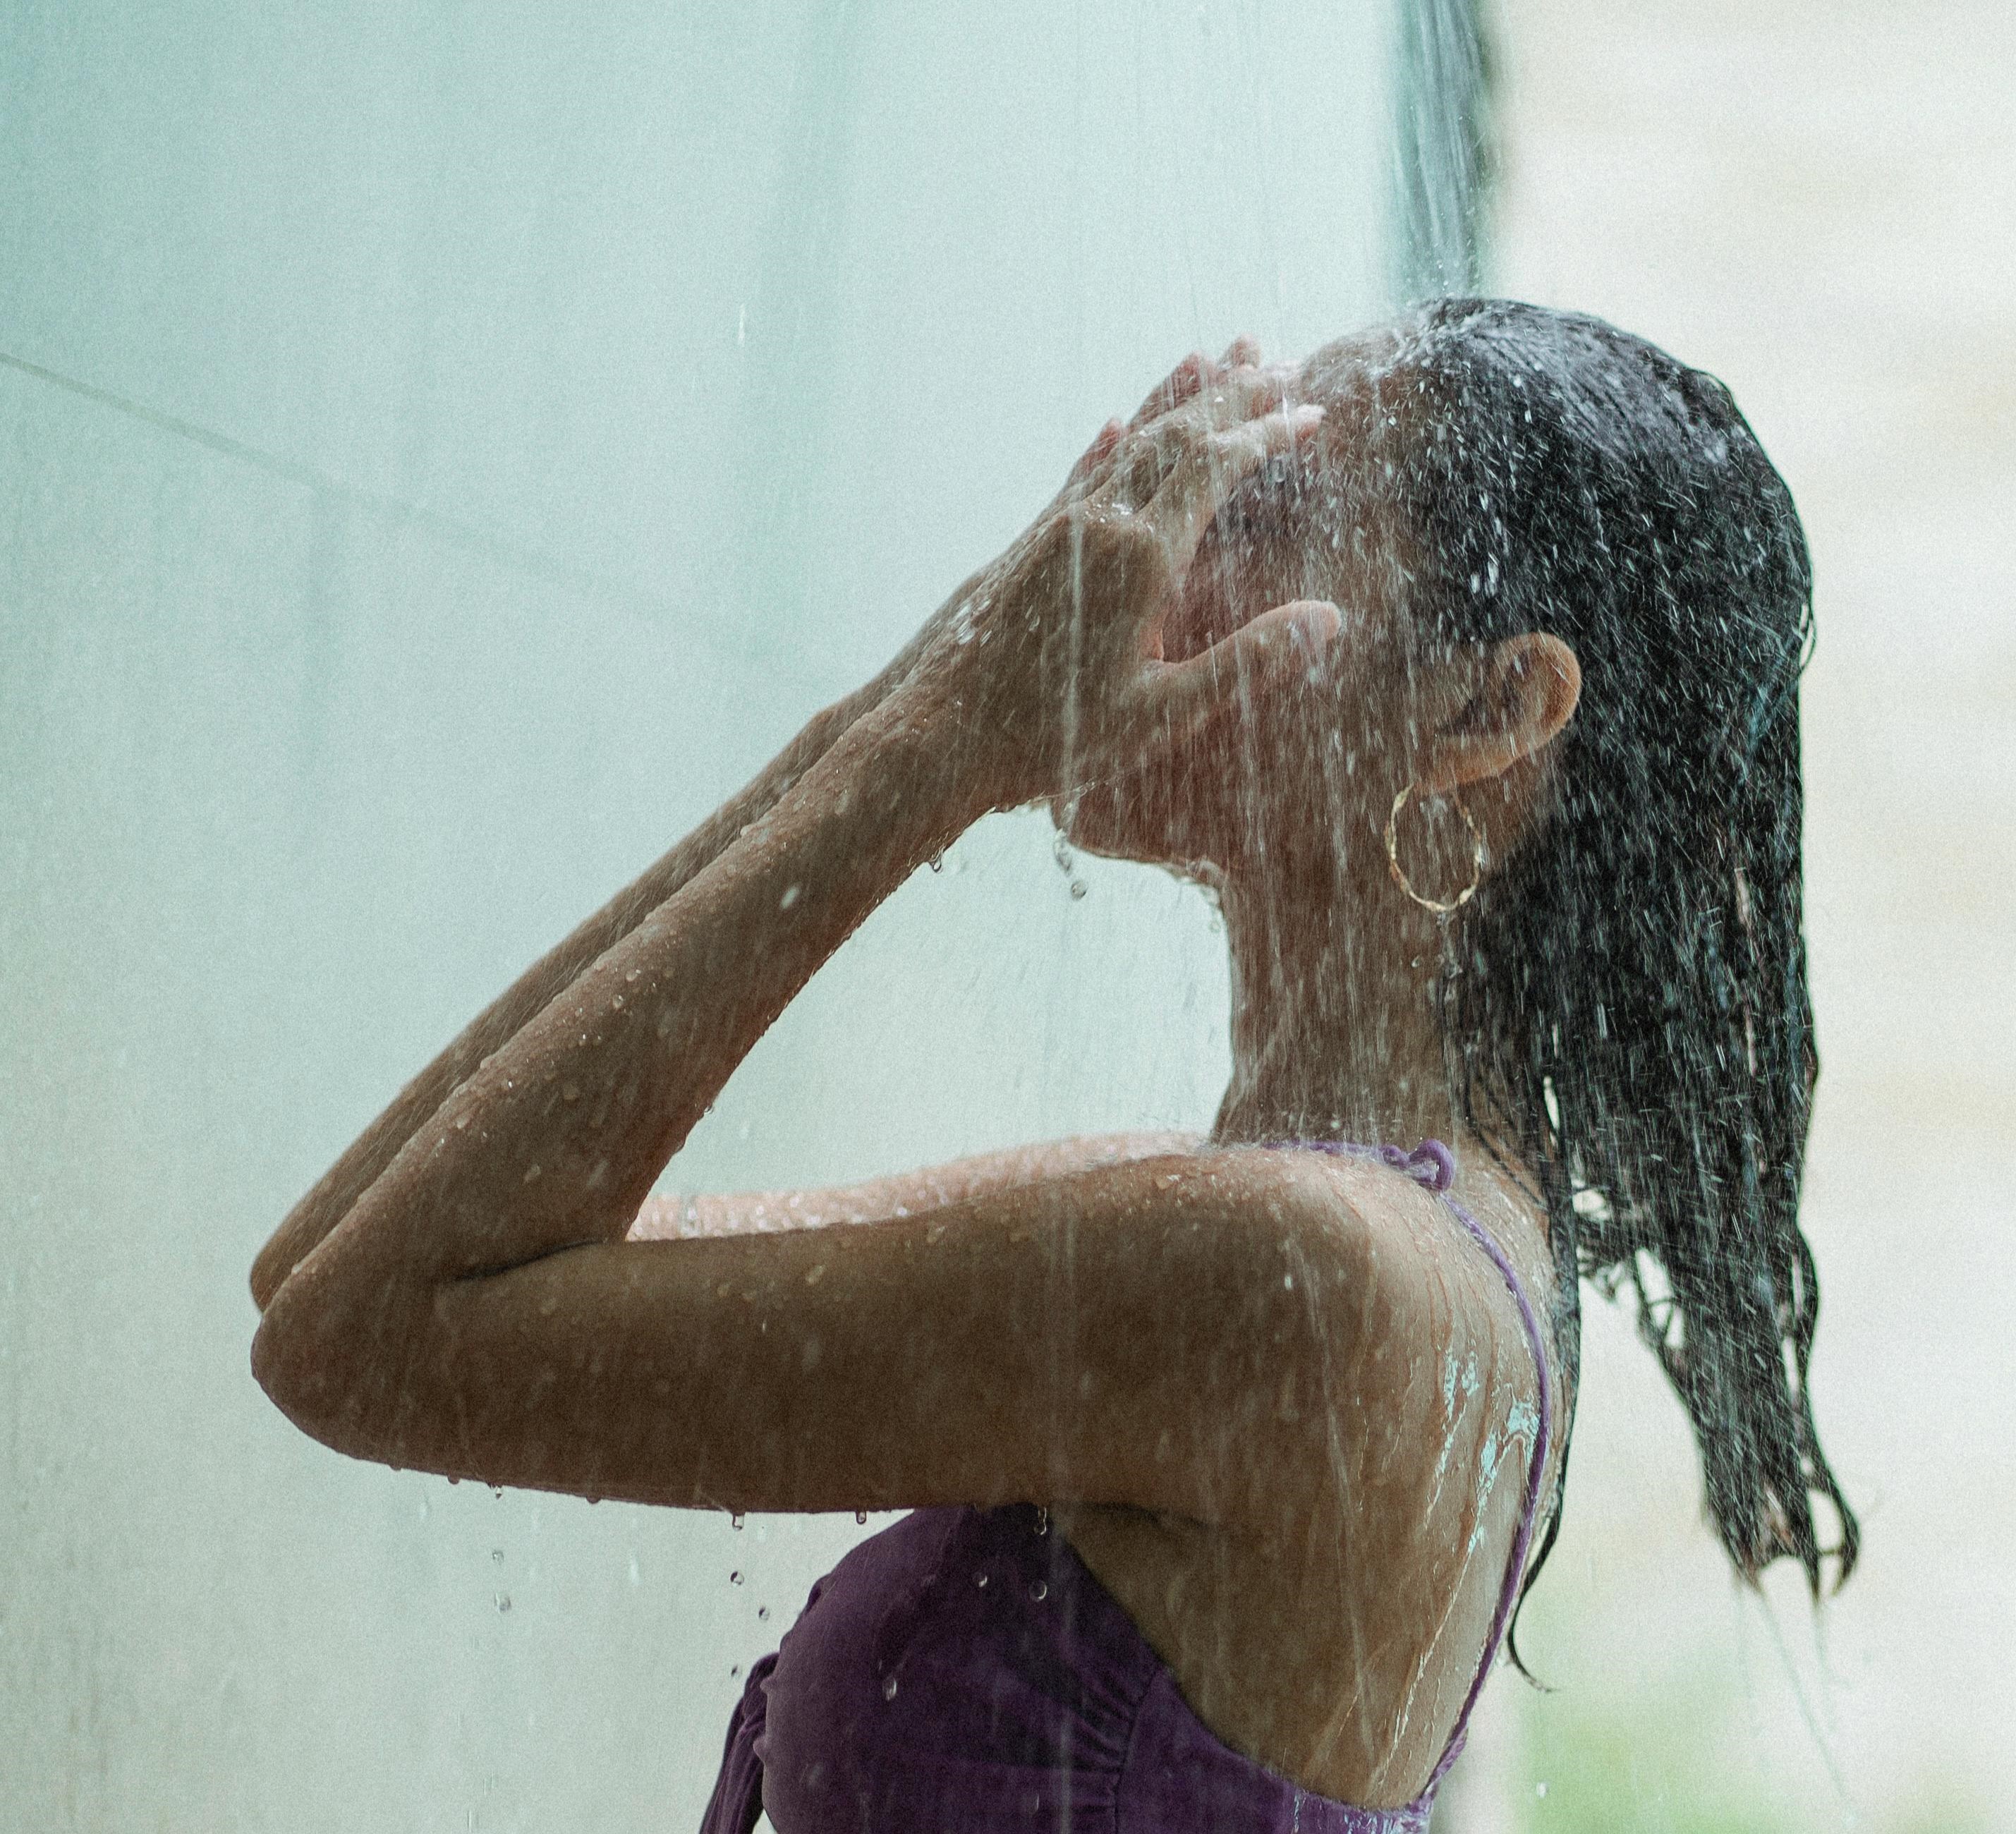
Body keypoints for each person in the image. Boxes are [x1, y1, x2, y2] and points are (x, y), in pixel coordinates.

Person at [248, 298, 1857, 1831]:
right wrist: (931, 702)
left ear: (1485, 710)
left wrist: (946, 740)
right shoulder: (1339, 1243)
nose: (1152, 544)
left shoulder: (1295, 1281)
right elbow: (336, 1268)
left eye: (1268, 497)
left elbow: (371, 1330)